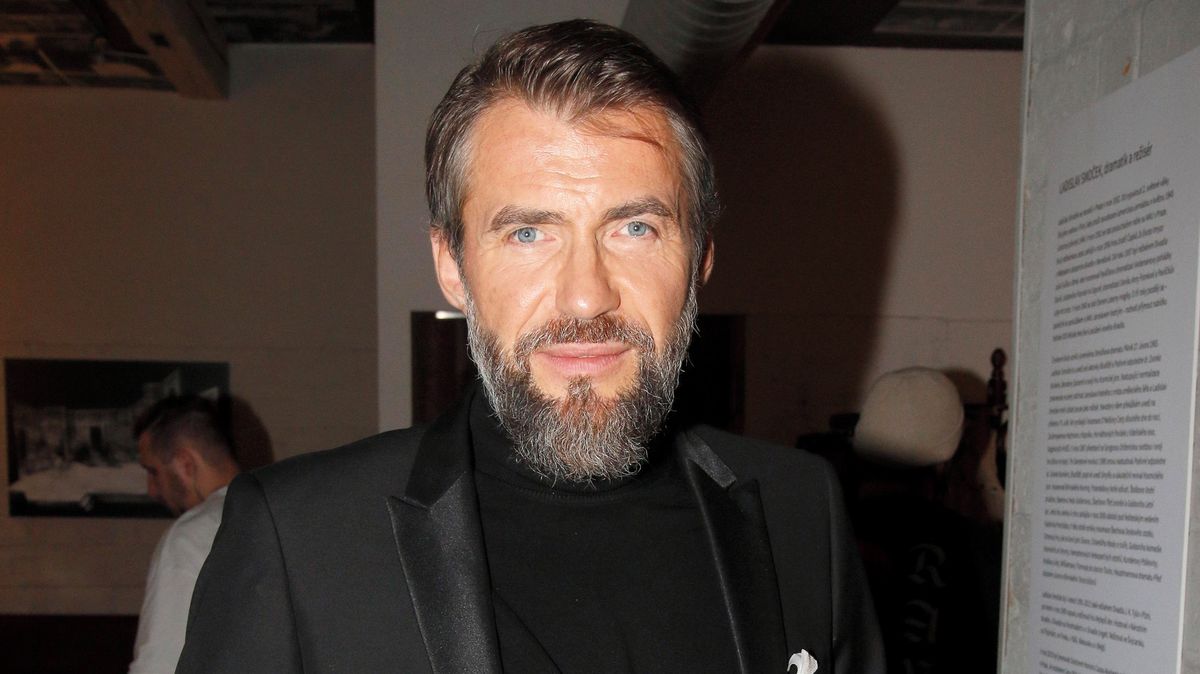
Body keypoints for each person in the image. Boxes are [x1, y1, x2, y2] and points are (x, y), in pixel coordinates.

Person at [178, 19, 882, 673]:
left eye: (635, 228)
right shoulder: (300, 539)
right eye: (528, 233)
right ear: (452, 266)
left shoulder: (800, 511)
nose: (586, 297)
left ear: (699, 260)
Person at [128, 395, 239, 674]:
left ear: (185, 463)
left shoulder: (189, 537)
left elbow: (160, 666)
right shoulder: (284, 515)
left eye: (153, 471)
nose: (152, 489)